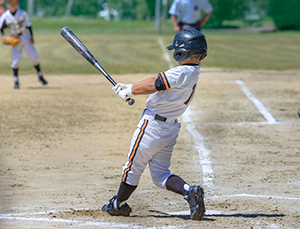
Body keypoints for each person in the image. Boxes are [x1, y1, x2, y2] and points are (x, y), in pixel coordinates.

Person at [102, 29, 208, 220]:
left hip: (151, 128)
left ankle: (118, 204)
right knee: (160, 175)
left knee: (132, 168)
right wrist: (130, 88)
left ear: (183, 51)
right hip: (170, 129)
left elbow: (155, 83)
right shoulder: (192, 72)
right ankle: (188, 191)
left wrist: (130, 90)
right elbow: (157, 83)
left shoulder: (182, 71)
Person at [0, 0, 47, 89]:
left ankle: (40, 76)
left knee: (34, 57)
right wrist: (3, 36)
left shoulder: (22, 13)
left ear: (18, 4)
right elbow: (1, 27)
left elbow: (29, 25)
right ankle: (16, 80)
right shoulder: (5, 16)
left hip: (25, 36)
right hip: (14, 37)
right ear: (8, 4)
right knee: (16, 60)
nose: (13, 5)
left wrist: (32, 37)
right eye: (11, 3)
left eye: (15, 3)